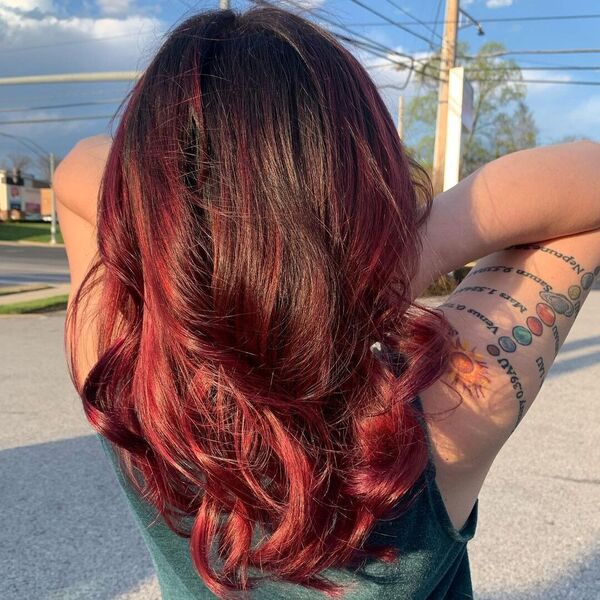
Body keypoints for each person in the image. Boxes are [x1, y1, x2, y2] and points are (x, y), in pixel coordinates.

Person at [53, 6, 600, 600]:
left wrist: (181, 249)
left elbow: (78, 167)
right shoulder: (441, 421)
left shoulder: (120, 376)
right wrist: (395, 261)